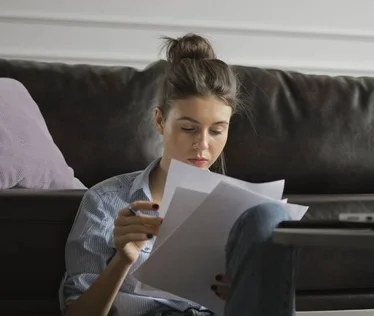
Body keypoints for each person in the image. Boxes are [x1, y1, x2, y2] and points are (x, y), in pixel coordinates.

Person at [59, 33, 296, 316]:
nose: (203, 145)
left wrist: (242, 292)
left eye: (217, 130)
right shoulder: (106, 201)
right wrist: (123, 260)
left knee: (270, 217)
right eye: (188, 128)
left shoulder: (243, 210)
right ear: (160, 121)